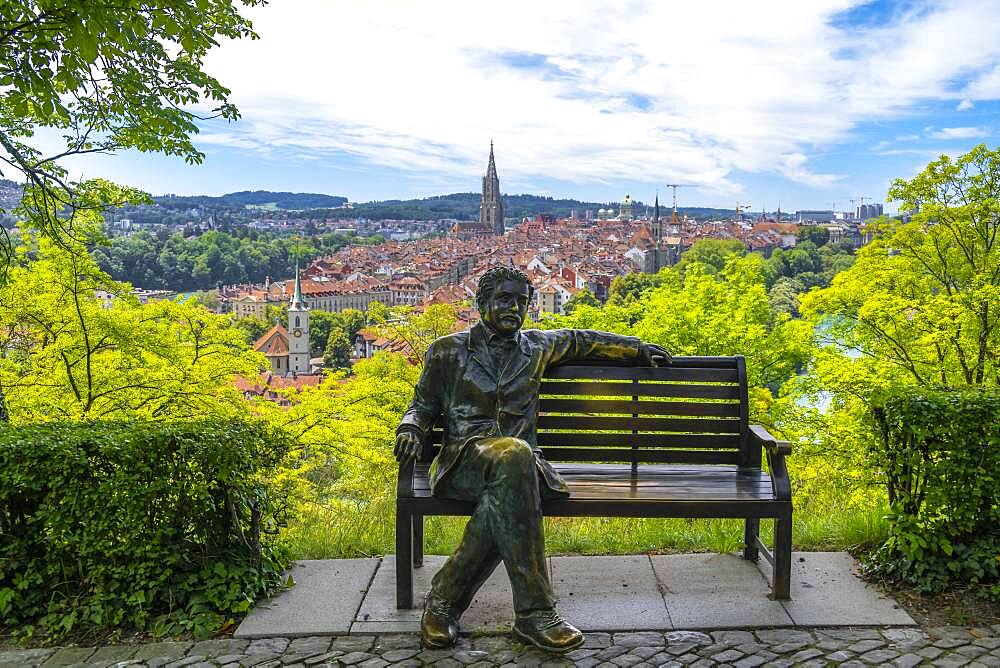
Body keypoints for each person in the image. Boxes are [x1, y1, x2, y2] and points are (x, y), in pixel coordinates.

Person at [395, 266, 669, 653]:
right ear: (482, 302)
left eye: (522, 301)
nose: (515, 307)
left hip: (523, 470)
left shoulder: (536, 346)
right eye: (505, 299)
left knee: (510, 478)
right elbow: (421, 406)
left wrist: (636, 347)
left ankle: (443, 603)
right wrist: (410, 428)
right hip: (463, 465)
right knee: (514, 459)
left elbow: (581, 340)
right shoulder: (448, 350)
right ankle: (535, 613)